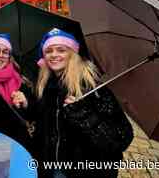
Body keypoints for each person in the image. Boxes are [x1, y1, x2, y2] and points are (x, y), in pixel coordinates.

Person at [33, 28, 133, 178]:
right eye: (48, 51)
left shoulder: (92, 87)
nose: (53, 55)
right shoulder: (46, 84)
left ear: (72, 54)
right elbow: (46, 124)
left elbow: (122, 138)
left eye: (61, 50)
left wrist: (83, 114)